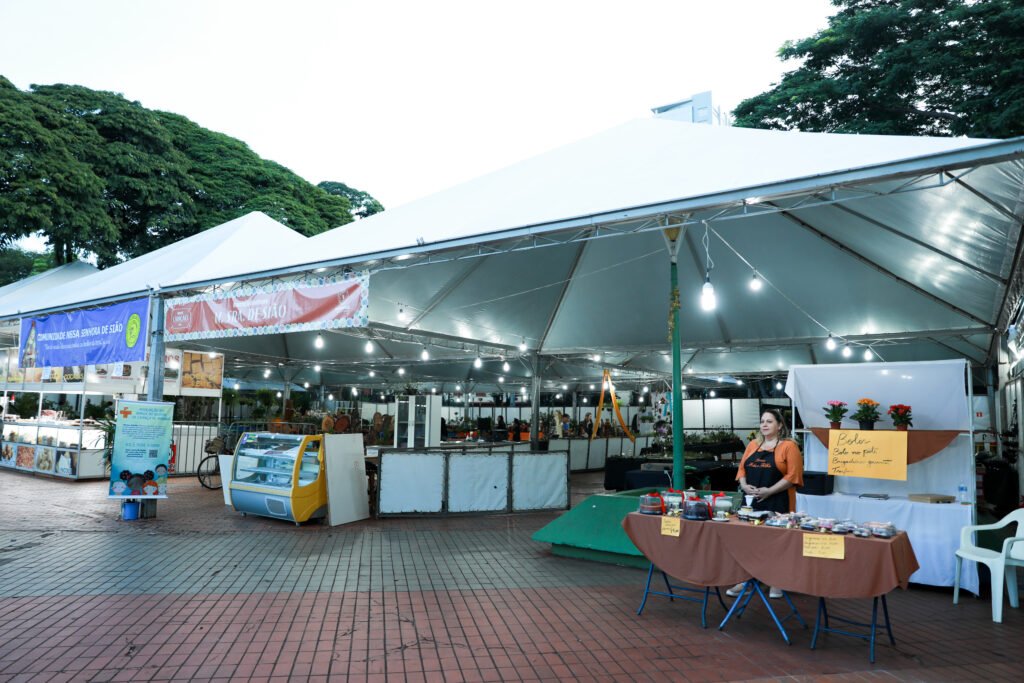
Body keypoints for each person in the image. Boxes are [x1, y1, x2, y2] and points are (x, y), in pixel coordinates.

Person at [727, 408, 804, 599]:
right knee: (750, 542)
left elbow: (793, 476)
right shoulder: (753, 445)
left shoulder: (789, 446)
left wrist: (770, 491)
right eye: (762, 421)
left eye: (769, 421)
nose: (764, 425)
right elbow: (742, 470)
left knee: (777, 543)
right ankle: (746, 579)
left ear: (779, 426)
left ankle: (776, 581)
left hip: (779, 501)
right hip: (751, 503)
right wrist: (745, 486)